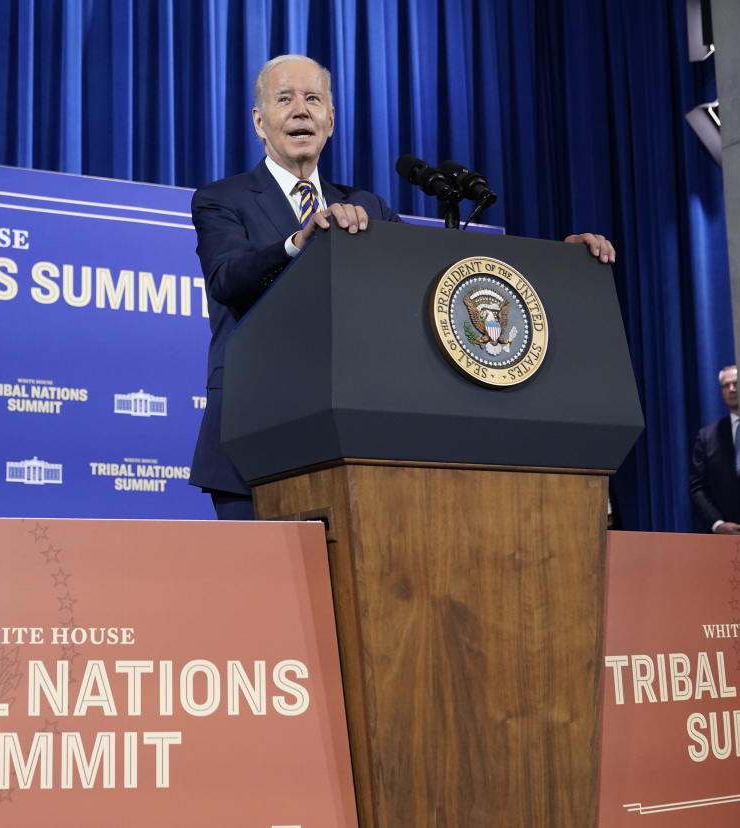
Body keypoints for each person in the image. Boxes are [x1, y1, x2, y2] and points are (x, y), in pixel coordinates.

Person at [189, 54, 617, 520]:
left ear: (330, 120)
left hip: (352, 439)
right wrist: (300, 238)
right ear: (259, 120)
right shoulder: (221, 199)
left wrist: (561, 262)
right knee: (265, 590)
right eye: (285, 99)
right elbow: (228, 278)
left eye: (313, 99)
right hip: (254, 432)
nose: (301, 110)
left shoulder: (366, 205)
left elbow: (426, 277)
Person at [689, 365, 740, 533]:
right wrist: (717, 524)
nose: (731, 389)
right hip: (726, 538)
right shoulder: (707, 437)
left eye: (736, 383)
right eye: (726, 385)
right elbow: (698, 488)